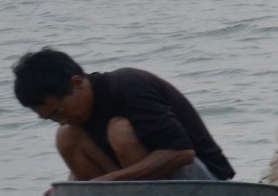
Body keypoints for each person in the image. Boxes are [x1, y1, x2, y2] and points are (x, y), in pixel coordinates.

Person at [12, 48, 235, 183]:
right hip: (147, 188)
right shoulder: (76, 122)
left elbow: (182, 153)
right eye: (52, 117)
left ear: (77, 83)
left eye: (60, 110)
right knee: (66, 136)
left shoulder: (128, 85)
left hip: (207, 183)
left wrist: (111, 180)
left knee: (120, 130)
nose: (61, 119)